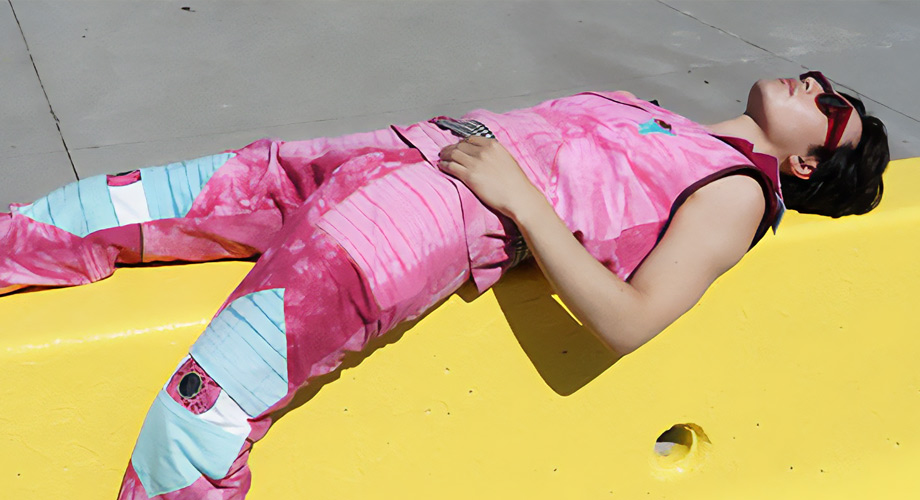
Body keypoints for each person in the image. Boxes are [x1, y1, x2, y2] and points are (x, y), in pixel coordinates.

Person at [0, 71, 889, 498]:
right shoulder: (661, 116)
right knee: (92, 209)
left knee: (204, 411)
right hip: (380, 157)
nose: (815, 82)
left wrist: (522, 202)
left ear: (811, 162)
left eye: (831, 105)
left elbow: (633, 319)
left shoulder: (737, 192)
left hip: (410, 224)